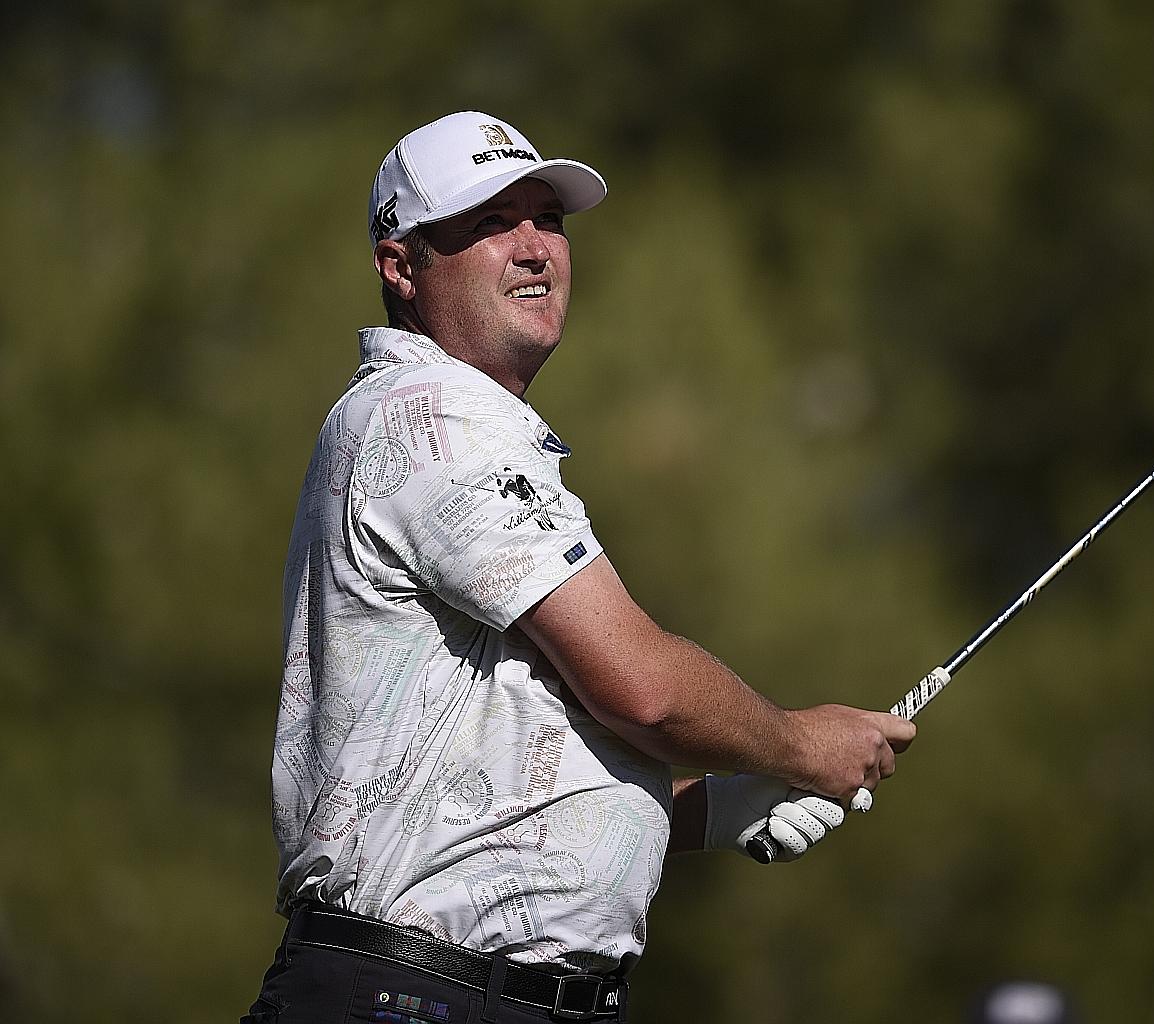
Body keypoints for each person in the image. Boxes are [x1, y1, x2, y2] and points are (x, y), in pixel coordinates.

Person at [241, 111, 916, 1024]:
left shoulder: (450, 426)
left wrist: (720, 807)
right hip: (415, 997)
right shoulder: (431, 417)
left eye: (547, 221)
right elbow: (642, 689)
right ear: (402, 266)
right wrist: (803, 746)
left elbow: (495, 789)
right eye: (488, 223)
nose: (533, 249)